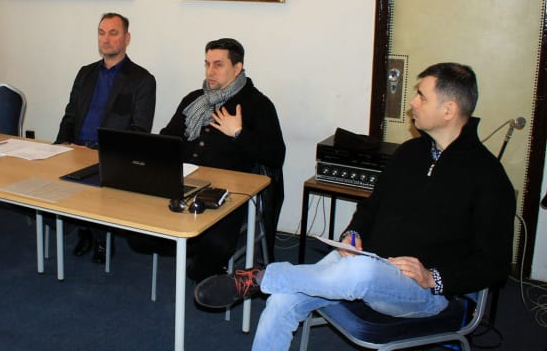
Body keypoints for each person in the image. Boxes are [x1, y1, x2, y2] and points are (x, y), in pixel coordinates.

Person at [193, 62, 516, 351]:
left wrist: (434, 278)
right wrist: (354, 234)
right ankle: (267, 281)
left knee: (360, 271)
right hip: (366, 265)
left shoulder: (488, 177)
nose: (412, 103)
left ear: (449, 110)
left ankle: (260, 278)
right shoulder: (409, 153)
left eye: (421, 96)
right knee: (282, 301)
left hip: (423, 293)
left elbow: (494, 264)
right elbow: (371, 207)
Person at [130, 38, 285, 282]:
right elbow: (169, 138)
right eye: (207, 64)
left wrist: (239, 133)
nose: (210, 71)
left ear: (237, 67)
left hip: (226, 195)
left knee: (214, 246)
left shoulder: (258, 105)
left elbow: (276, 156)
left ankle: (199, 253)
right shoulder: (194, 100)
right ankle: (191, 246)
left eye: (218, 65)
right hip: (183, 184)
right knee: (137, 234)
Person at [55, 13, 156, 263]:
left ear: (127, 38)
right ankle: (85, 231)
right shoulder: (86, 73)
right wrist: (63, 144)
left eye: (113, 33)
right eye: (101, 33)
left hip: (109, 155)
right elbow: (70, 115)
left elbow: (140, 130)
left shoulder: (142, 80)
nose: (106, 39)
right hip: (75, 149)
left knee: (95, 182)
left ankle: (101, 238)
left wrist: (100, 151)